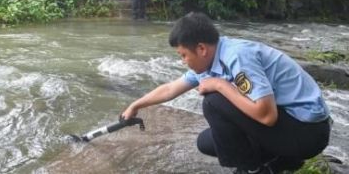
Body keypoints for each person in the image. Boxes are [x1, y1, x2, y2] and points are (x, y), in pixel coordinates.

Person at [122, 12, 331, 174]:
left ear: (201, 48)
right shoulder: (211, 62)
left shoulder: (237, 56)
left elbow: (267, 116)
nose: (183, 61)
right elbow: (170, 89)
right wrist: (136, 105)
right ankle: (281, 160)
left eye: (184, 55)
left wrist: (221, 86)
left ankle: (252, 169)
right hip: (289, 126)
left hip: (308, 133)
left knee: (213, 101)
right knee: (208, 142)